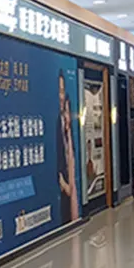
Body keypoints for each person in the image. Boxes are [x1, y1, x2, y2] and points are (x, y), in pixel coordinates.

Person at [57, 71, 80, 222]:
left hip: (72, 188)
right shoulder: (57, 126)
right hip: (65, 190)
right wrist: (63, 184)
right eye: (59, 91)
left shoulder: (70, 134)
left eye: (63, 91)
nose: (61, 95)